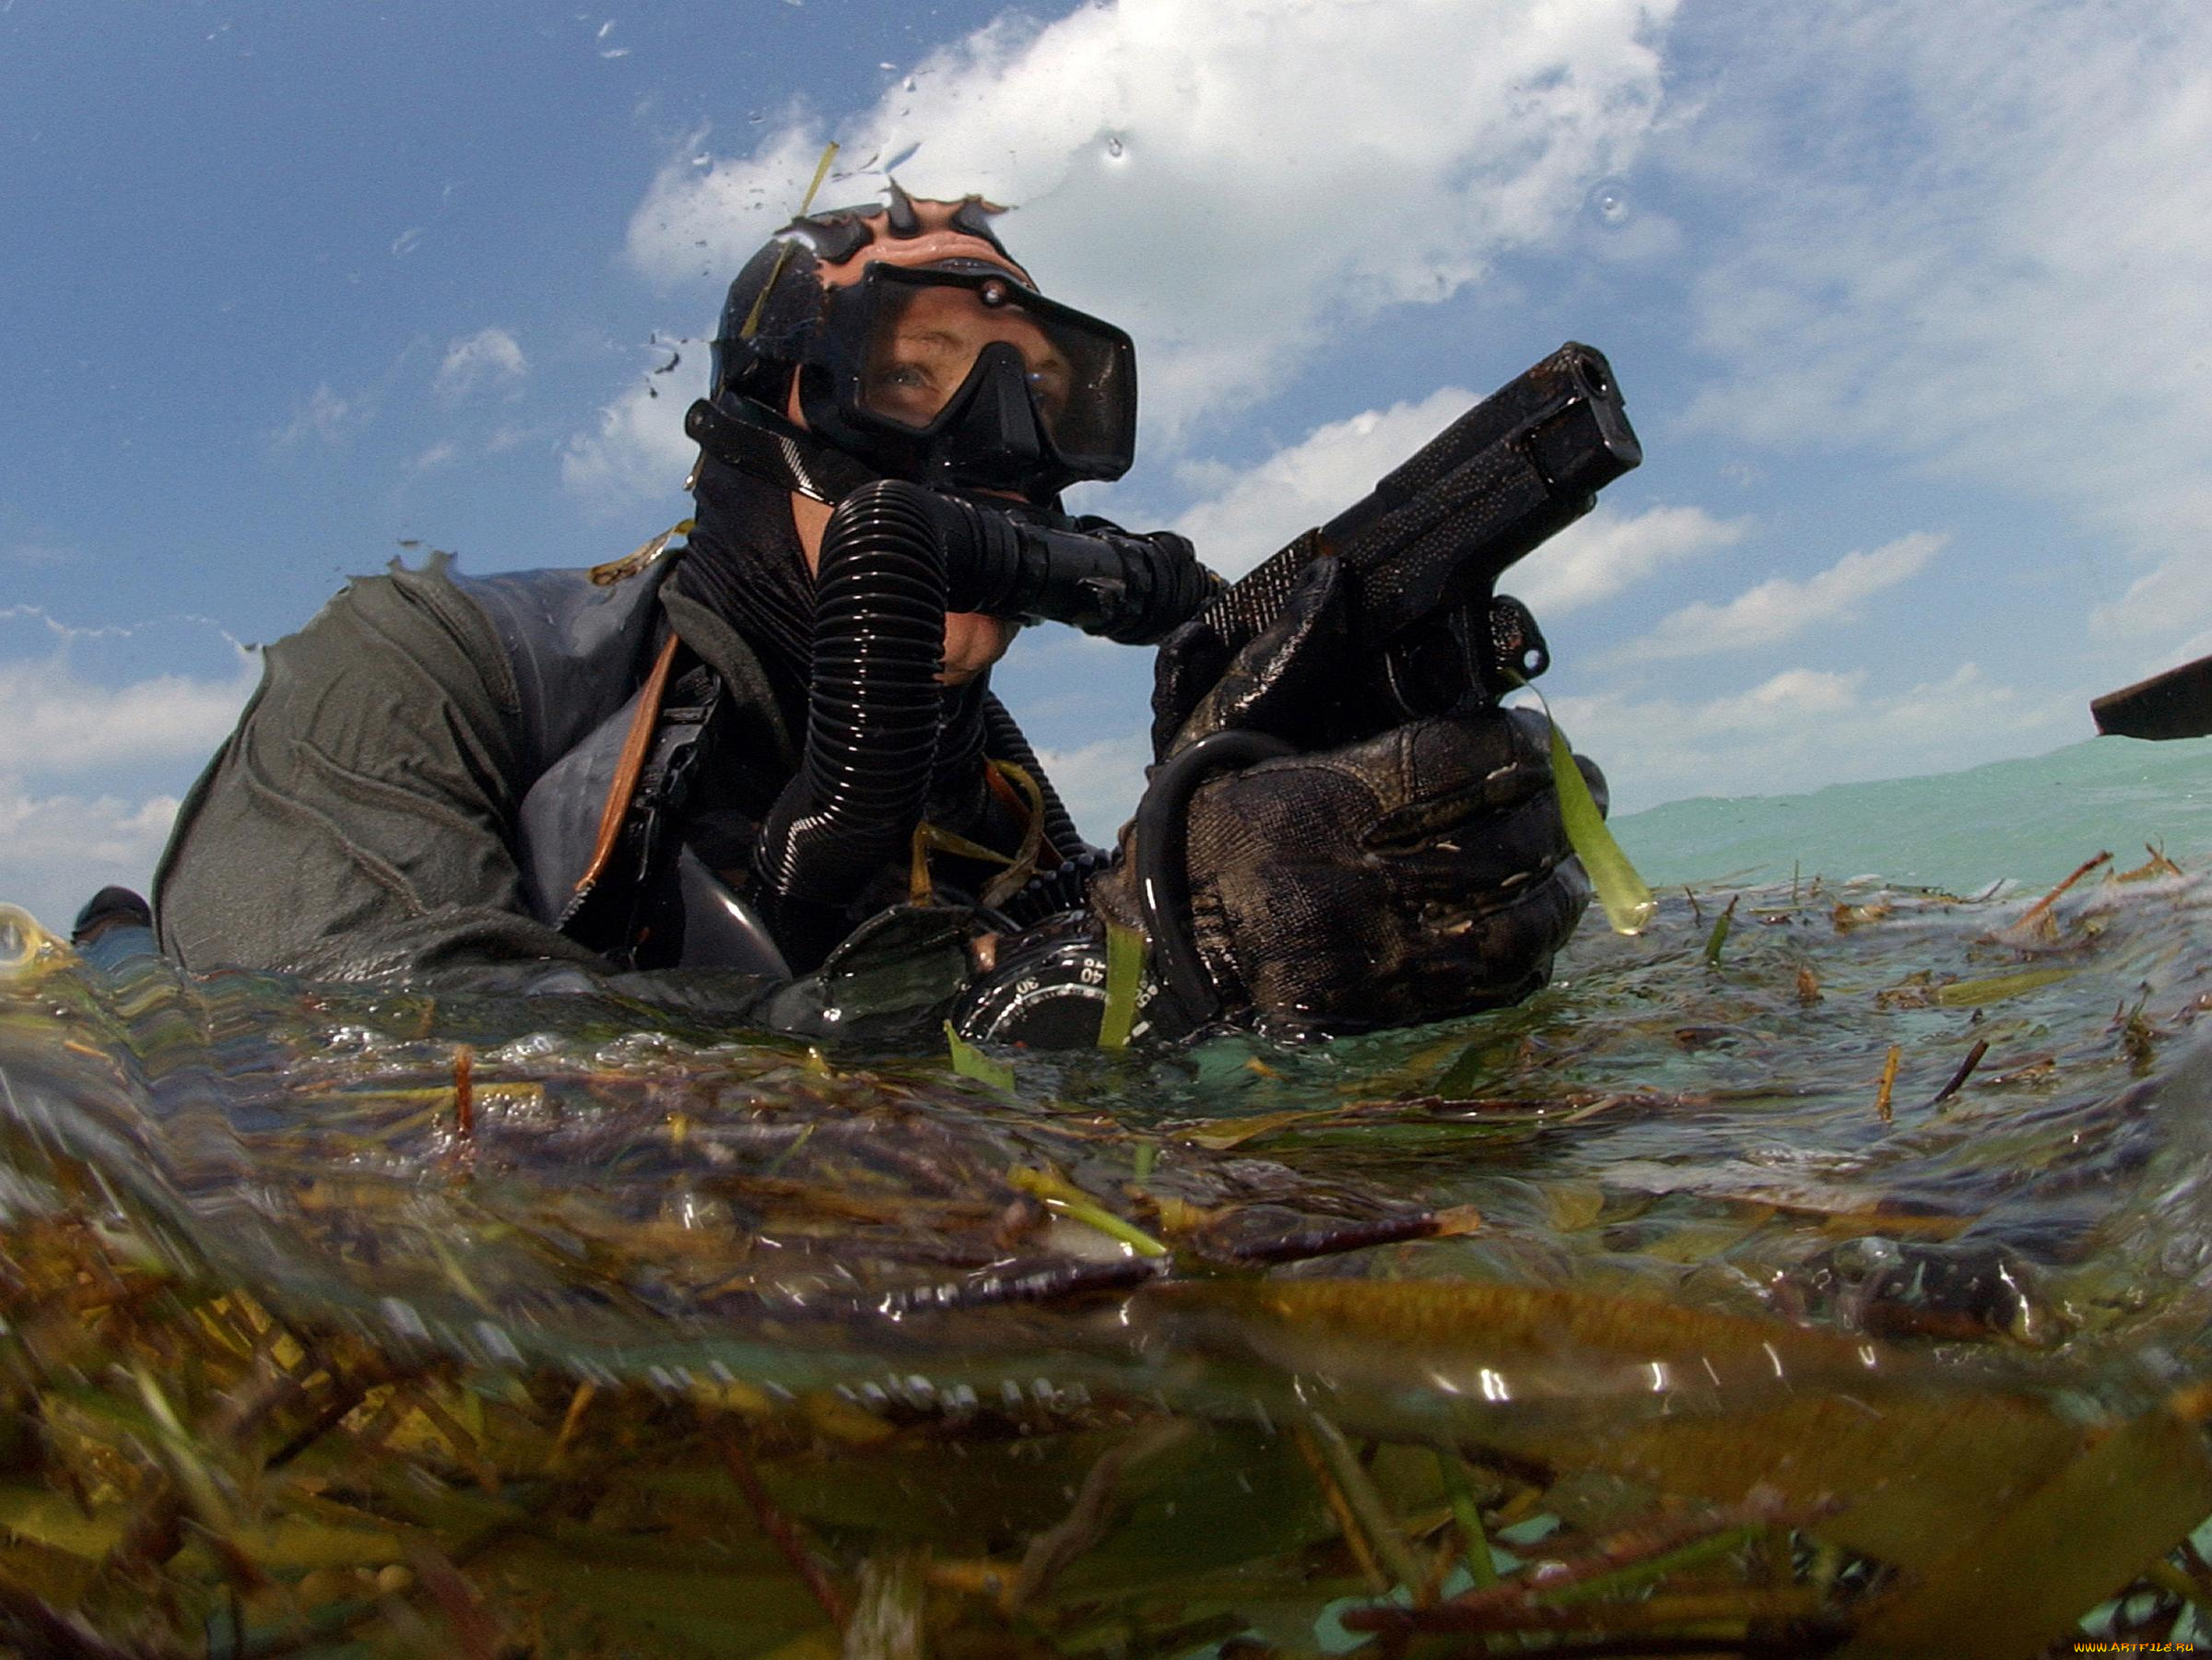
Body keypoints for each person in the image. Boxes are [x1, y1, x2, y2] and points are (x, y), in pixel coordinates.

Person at [145, 189, 1600, 1044]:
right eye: (920, 372)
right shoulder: (423, 671)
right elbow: (353, 1077)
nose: (1002, 442)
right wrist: (1111, 977)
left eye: (1050, 398)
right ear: (760, 419)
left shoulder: (1004, 814)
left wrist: (1285, 860)